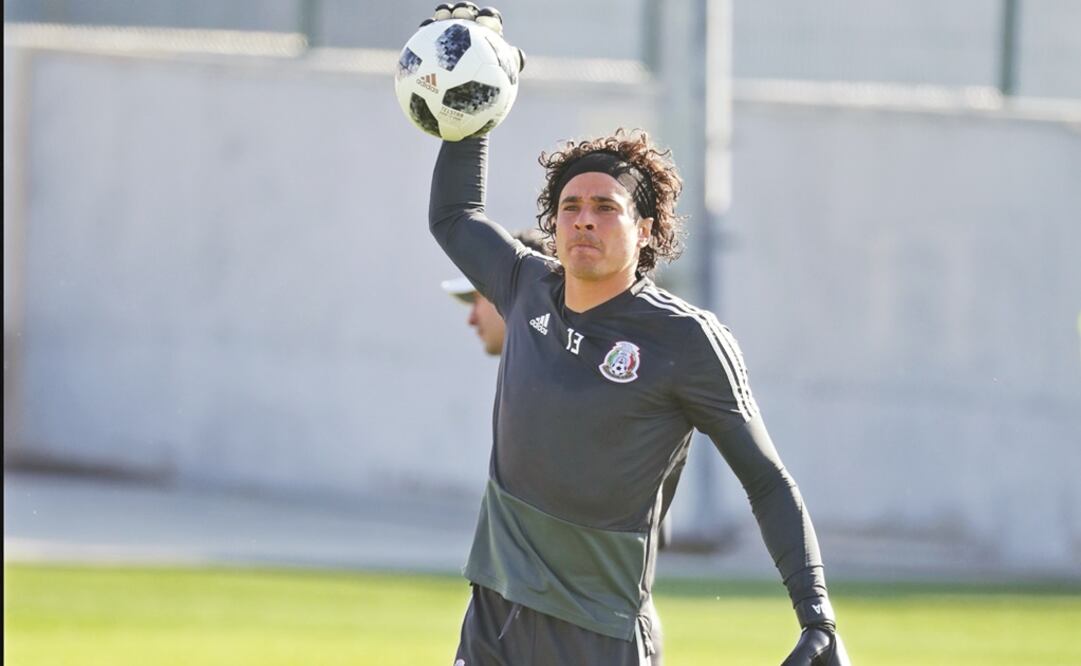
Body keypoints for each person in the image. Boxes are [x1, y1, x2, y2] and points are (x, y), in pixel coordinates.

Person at [423, 5, 850, 664]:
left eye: (605, 207)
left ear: (645, 230)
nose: (583, 221)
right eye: (569, 207)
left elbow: (766, 481)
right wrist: (475, 88)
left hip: (600, 633)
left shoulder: (686, 341)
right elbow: (454, 214)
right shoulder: (523, 283)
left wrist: (815, 615)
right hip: (493, 621)